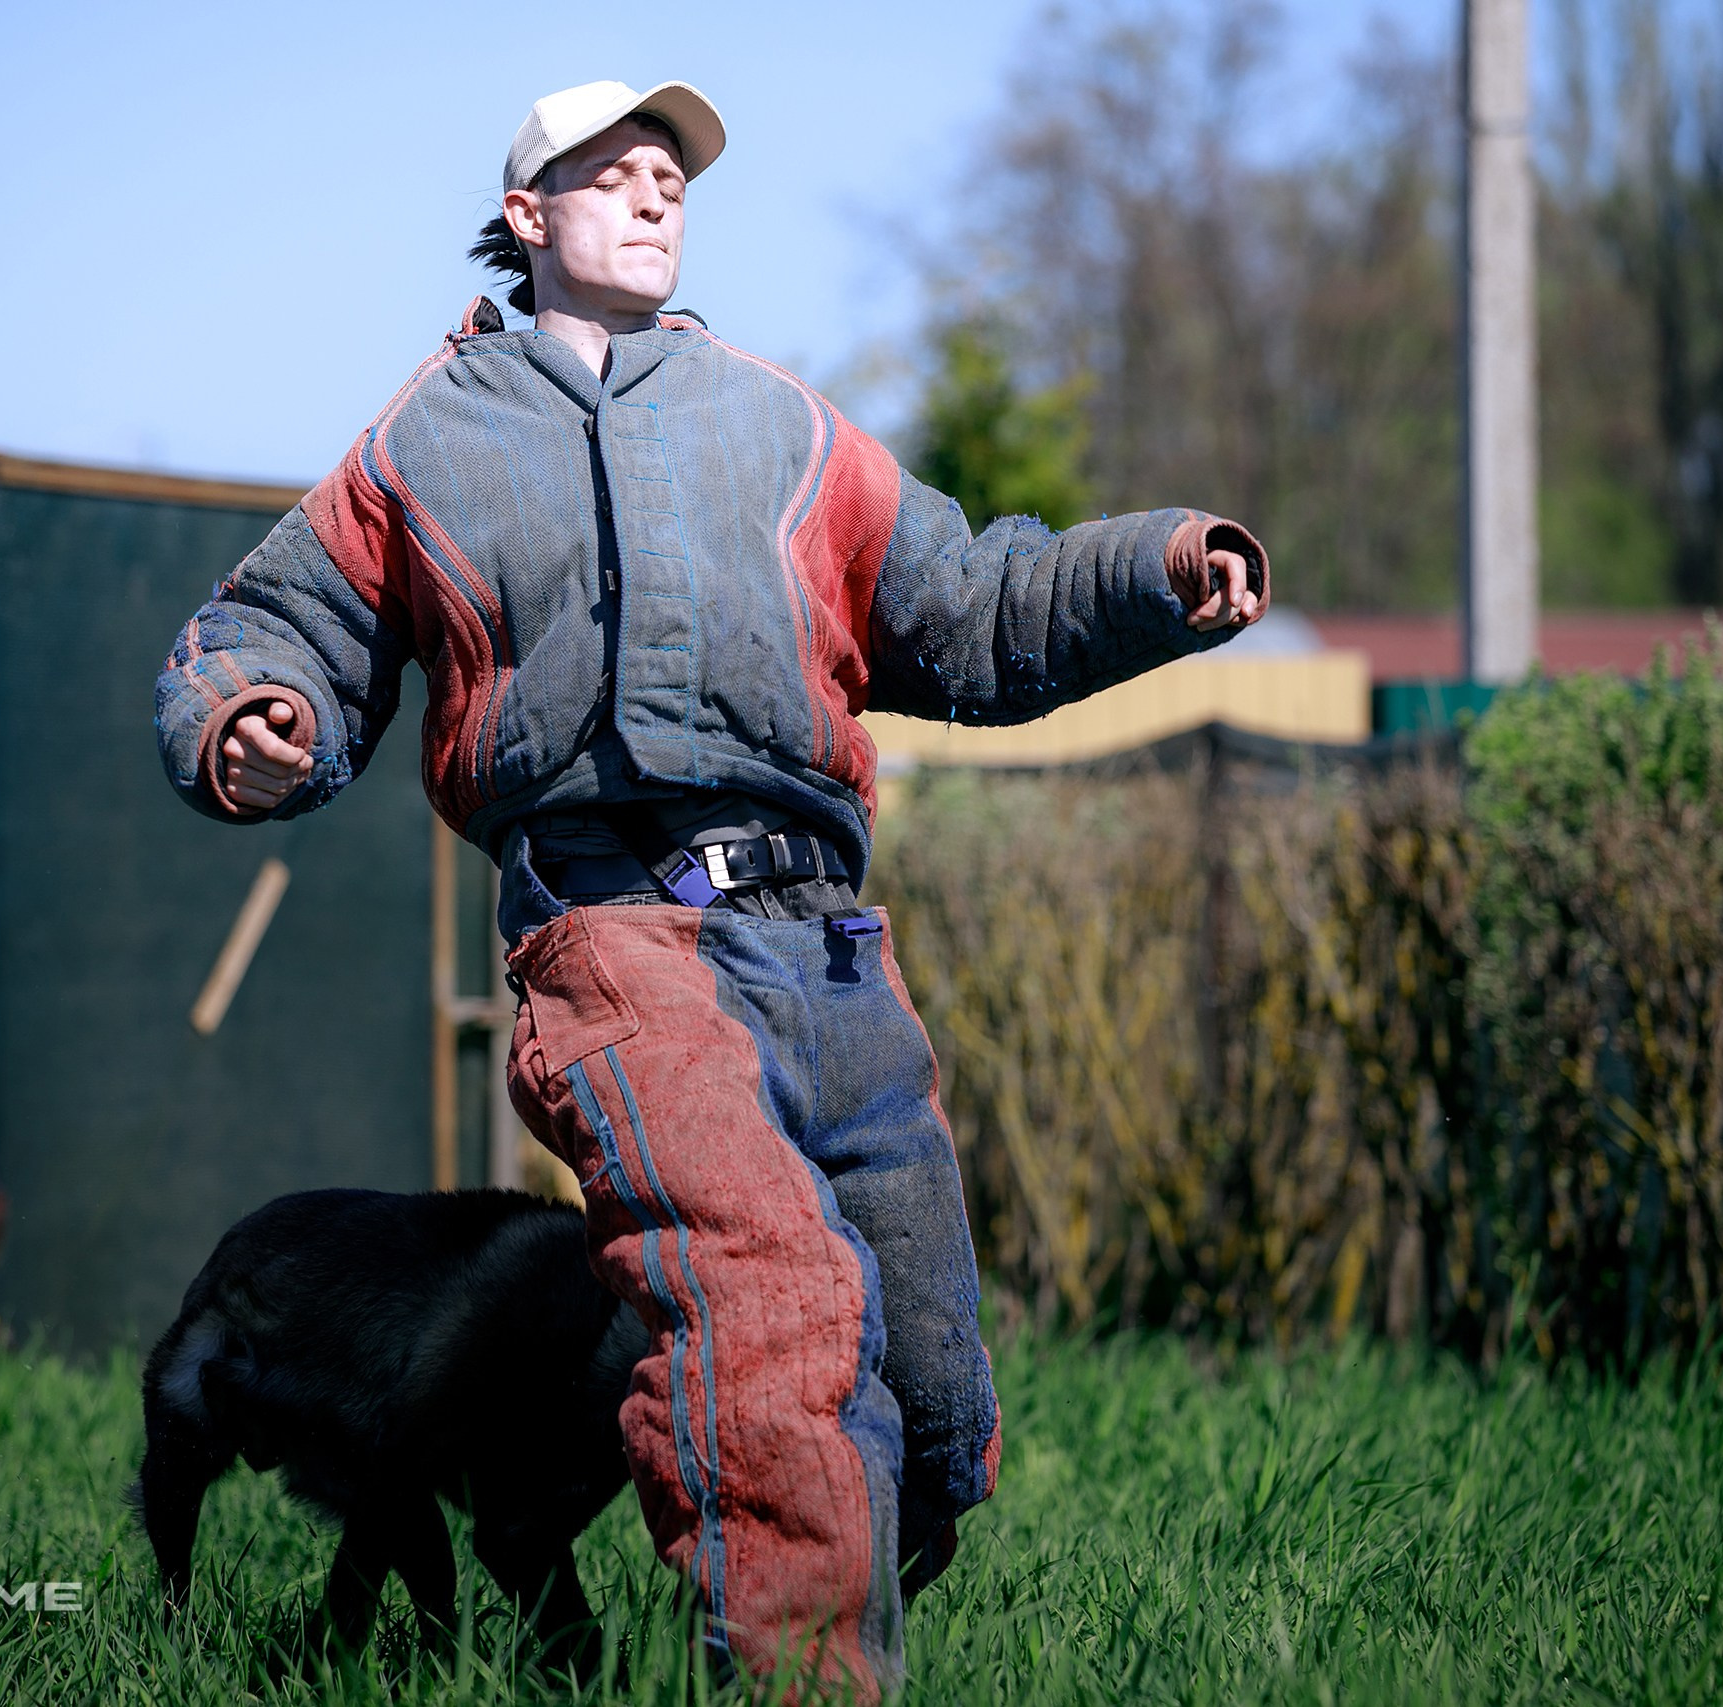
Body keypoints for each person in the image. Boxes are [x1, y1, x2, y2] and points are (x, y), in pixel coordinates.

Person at [154, 79, 1268, 1696]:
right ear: (528, 215)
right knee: (766, 1310)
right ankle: (798, 1678)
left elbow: (970, 608)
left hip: (829, 958)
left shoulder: (785, 425)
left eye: (672, 174)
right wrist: (257, 722)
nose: (657, 191)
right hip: (613, 942)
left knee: (929, 1398)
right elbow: (282, 631)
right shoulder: (426, 441)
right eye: (614, 171)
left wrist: (1160, 568)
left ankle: (735, 1569)